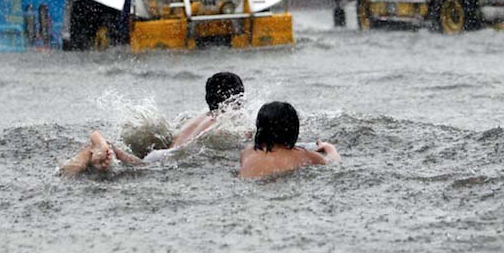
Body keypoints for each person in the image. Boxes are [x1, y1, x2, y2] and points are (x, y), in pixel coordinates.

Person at [60, 72, 245, 176]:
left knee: (124, 159)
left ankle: (99, 144)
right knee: (130, 165)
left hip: (158, 154)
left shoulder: (197, 118)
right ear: (238, 99)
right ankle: (104, 146)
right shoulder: (223, 122)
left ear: (207, 97)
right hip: (165, 160)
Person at [239, 101, 340, 179]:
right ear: (294, 129)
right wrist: (329, 147)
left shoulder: (247, 153)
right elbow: (333, 161)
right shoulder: (302, 155)